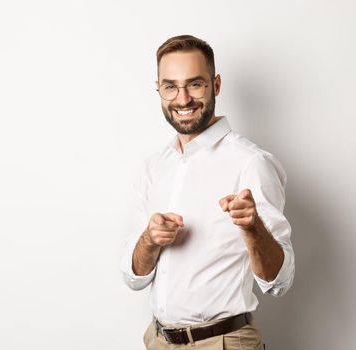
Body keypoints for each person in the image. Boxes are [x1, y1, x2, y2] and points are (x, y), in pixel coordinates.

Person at [119, 35, 295, 349]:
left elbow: (278, 283)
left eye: (195, 84)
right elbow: (135, 277)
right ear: (158, 89)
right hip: (158, 340)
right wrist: (149, 239)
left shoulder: (251, 163)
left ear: (215, 85)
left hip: (223, 342)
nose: (182, 99)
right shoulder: (154, 167)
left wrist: (253, 228)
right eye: (170, 86)